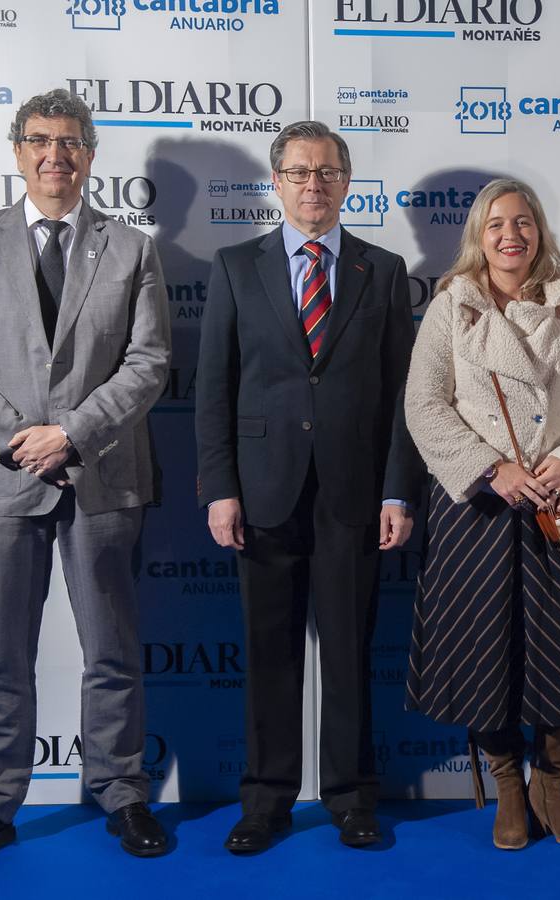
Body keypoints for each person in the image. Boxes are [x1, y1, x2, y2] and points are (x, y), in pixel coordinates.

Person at [0, 88, 172, 874]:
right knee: (1, 651)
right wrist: (18, 441)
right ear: (18, 151)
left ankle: (121, 790)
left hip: (103, 475)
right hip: (2, 483)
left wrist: (73, 432)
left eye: (69, 142)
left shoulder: (131, 249)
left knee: (112, 649)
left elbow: (150, 361)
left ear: (91, 157)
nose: (54, 154)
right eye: (39, 140)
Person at [195, 120, 423, 854]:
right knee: (269, 653)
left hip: (353, 494)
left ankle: (352, 797)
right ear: (278, 183)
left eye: (326, 172)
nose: (313, 185)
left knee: (351, 652)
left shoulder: (381, 270)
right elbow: (213, 390)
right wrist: (219, 487)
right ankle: (265, 800)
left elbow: (401, 393)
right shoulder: (236, 266)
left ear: (346, 182)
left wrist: (397, 491)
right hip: (261, 494)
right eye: (298, 172)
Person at [404, 178, 560, 851]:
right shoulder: (452, 307)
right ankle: (507, 787)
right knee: (484, 648)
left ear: (539, 230)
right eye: (496, 224)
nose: (510, 235)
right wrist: (494, 469)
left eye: (522, 222)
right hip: (480, 502)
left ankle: (553, 784)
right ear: (478, 235)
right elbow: (424, 406)